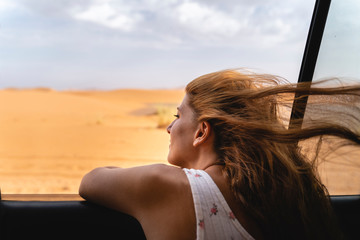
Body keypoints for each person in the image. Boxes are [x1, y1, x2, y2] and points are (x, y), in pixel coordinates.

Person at [79, 69, 360, 239]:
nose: (168, 127)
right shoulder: (288, 195)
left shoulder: (166, 186)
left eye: (178, 116)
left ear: (201, 132)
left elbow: (90, 181)